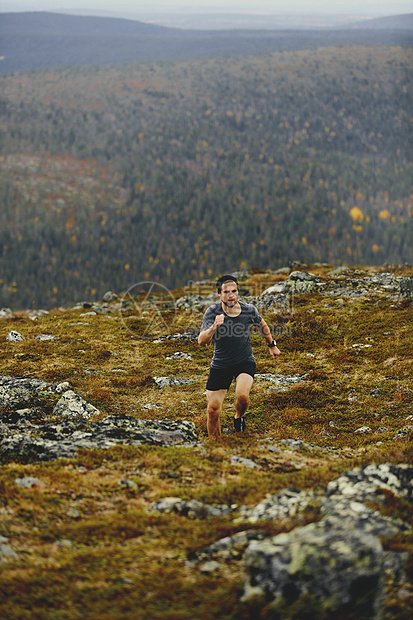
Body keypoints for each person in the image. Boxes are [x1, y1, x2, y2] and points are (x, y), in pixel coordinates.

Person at [198, 274, 281, 439]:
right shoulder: (212, 312)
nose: (231, 295)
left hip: (244, 361)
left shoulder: (249, 309)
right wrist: (214, 326)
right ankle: (216, 447)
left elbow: (261, 324)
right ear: (219, 294)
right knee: (212, 409)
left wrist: (272, 345)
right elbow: (201, 341)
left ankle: (238, 417)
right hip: (221, 364)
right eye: (226, 292)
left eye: (234, 291)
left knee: (242, 396)